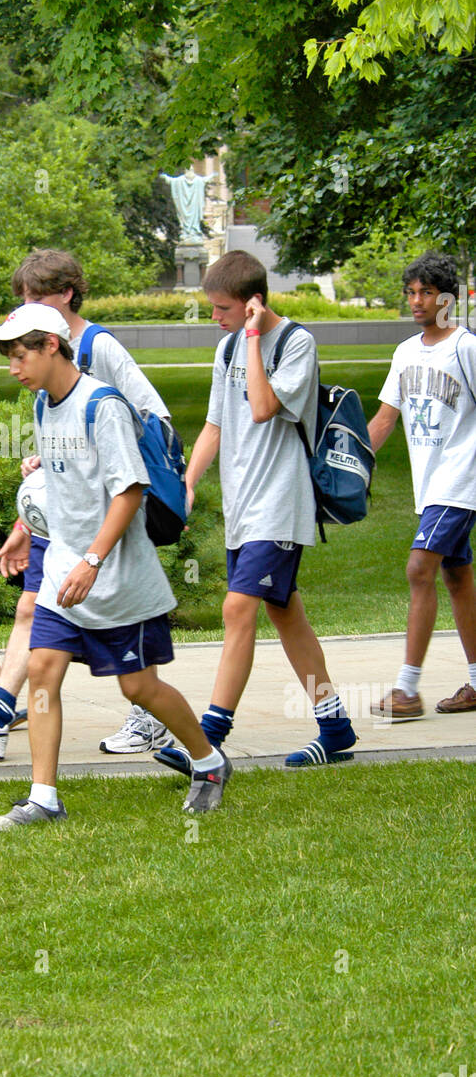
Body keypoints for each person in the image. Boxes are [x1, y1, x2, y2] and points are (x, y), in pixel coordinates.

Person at [0, 304, 229, 828]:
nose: (13, 368)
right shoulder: (45, 405)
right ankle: (43, 798)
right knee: (42, 669)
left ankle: (208, 761)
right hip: (64, 567)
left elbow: (129, 492)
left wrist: (92, 561)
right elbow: (60, 487)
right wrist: (24, 531)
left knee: (138, 688)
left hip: (114, 575)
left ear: (50, 346)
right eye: (9, 358)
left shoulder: (102, 405)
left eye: (20, 355)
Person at [0, 247, 177, 760]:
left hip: (107, 512)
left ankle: (157, 722)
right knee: (32, 611)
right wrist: (45, 469)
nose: (26, 308)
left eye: (37, 298)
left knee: (127, 660)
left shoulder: (97, 347)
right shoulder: (38, 369)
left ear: (66, 295)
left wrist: (106, 462)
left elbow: (152, 417)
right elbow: (66, 429)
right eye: (22, 299)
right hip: (66, 508)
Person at [162, 249, 356, 772]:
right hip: (243, 507)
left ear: (253, 303)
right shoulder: (226, 349)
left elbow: (265, 407)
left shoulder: (296, 344)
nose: (213, 318)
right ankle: (335, 725)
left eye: (223, 308)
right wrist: (188, 482)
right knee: (284, 612)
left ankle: (207, 739)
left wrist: (251, 337)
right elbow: (216, 425)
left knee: (237, 608)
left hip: (281, 503)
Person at [367, 252, 476, 718]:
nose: (416, 301)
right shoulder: (406, 352)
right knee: (456, 576)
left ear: (447, 299)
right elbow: (385, 419)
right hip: (430, 484)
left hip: (462, 477)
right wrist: (347, 465)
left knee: (419, 569)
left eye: (425, 292)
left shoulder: (466, 347)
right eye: (410, 292)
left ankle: (407, 691)